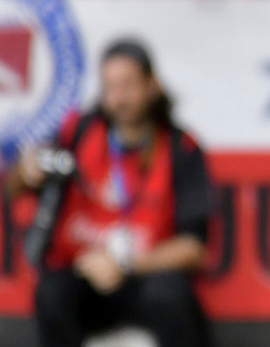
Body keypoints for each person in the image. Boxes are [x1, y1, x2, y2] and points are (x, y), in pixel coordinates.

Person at [3, 39, 212, 347]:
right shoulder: (78, 132)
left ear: (151, 86)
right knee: (51, 293)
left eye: (128, 85)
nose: (118, 98)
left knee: (170, 295)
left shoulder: (181, 148)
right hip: (86, 277)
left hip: (144, 275)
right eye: (110, 87)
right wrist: (25, 170)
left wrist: (125, 264)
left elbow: (194, 249)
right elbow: (14, 188)